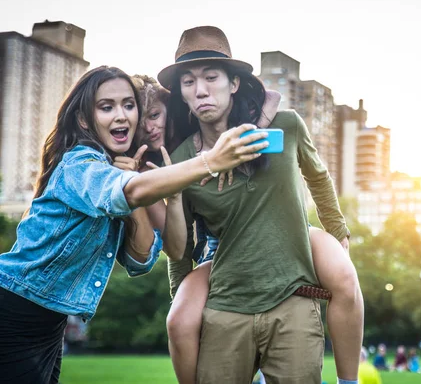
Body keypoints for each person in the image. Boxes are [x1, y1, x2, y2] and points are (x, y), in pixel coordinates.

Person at [0, 66, 268, 383]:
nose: (121, 116)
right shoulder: (79, 163)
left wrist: (133, 192)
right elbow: (132, 190)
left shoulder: (118, 175)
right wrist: (209, 161)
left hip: (47, 322)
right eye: (106, 107)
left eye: (129, 105)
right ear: (85, 119)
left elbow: (140, 259)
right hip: (14, 311)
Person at [131, 72, 364, 384]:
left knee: (344, 276)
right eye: (140, 122)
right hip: (221, 250)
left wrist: (337, 230)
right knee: (181, 319)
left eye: (155, 115)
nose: (149, 126)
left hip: (287, 228)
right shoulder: (169, 161)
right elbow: (179, 243)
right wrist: (184, 290)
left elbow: (271, 101)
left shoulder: (253, 124)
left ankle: (348, 380)